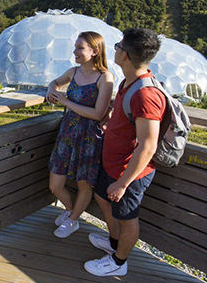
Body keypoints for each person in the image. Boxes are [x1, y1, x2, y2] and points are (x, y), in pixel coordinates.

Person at [84, 28, 164, 277]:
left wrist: (123, 183)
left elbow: (148, 145)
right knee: (101, 197)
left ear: (125, 56)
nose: (115, 49)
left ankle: (119, 261)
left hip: (129, 173)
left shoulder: (146, 95)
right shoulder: (128, 82)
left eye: (118, 46)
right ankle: (113, 241)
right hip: (113, 165)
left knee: (128, 219)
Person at [46, 31, 114, 239]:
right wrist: (51, 90)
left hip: (89, 138)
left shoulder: (105, 77)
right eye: (75, 47)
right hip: (67, 133)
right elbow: (55, 82)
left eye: (79, 48)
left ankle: (73, 220)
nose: (74, 51)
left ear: (94, 51)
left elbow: (98, 113)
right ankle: (69, 211)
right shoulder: (73, 72)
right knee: (54, 184)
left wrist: (66, 102)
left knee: (85, 184)